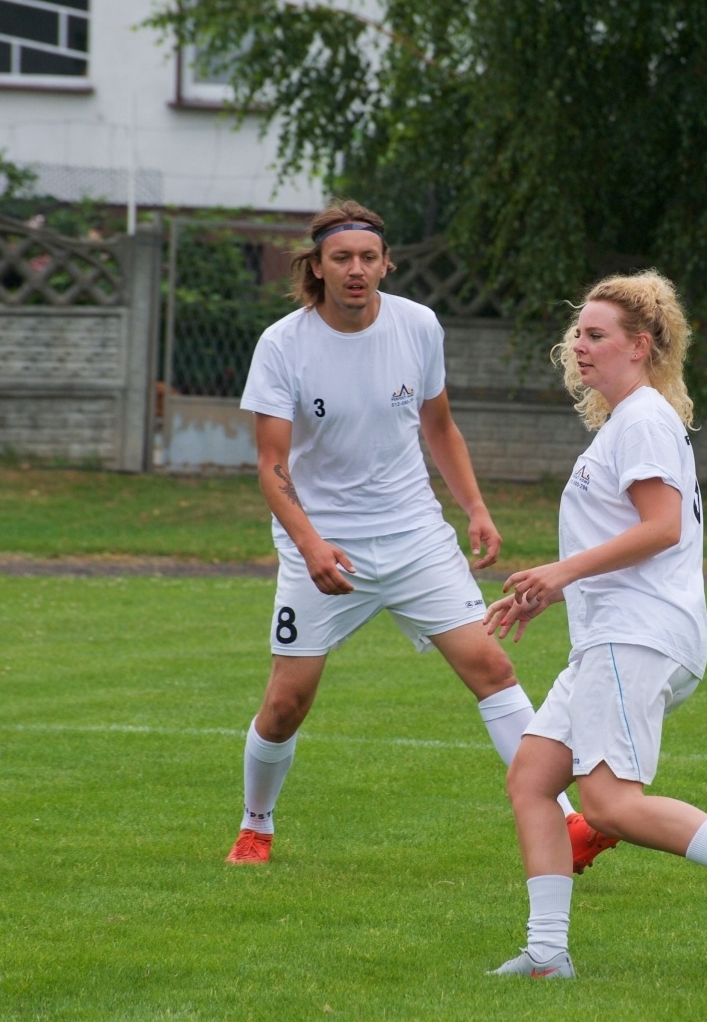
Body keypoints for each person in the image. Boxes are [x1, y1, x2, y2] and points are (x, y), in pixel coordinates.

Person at [224, 200, 616, 872]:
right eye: (341, 258)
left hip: (413, 536)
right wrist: (312, 544)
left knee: (492, 667)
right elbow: (271, 464)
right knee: (286, 704)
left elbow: (439, 425)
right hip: (324, 546)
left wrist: (476, 508)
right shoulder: (283, 344)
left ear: (386, 264)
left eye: (368, 258)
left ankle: (565, 822)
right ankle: (256, 823)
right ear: (315, 266)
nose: (356, 270)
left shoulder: (418, 326)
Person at [482, 269, 707, 979]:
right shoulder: (626, 421)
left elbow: (661, 528)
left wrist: (561, 574)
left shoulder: (642, 419)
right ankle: (547, 952)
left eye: (596, 334)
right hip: (615, 632)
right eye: (579, 332)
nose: (580, 345)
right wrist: (552, 590)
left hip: (639, 634)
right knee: (534, 777)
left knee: (605, 802)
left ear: (641, 346)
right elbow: (623, 536)